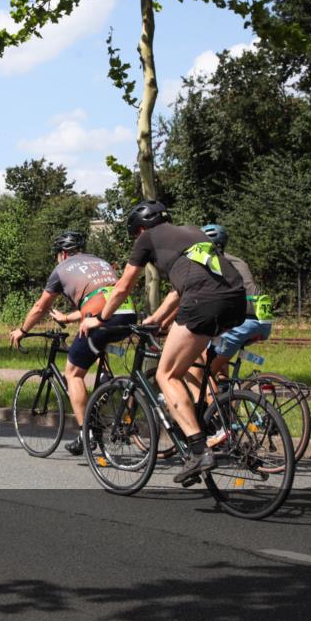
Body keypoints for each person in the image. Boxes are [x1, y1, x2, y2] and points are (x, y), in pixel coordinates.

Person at [79, 201, 246, 483]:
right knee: (193, 366)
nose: (138, 238)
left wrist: (101, 318)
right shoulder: (193, 232)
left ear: (141, 228)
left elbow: (122, 287)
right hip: (236, 300)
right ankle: (210, 421)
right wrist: (159, 319)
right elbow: (182, 290)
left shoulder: (147, 238)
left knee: (166, 374)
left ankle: (198, 450)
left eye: (136, 233)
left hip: (203, 301)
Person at [9, 230, 137, 455]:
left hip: (101, 319)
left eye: (57, 255)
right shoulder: (100, 262)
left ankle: (86, 434)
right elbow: (101, 298)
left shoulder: (61, 269)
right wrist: (67, 318)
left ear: (63, 254)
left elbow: (40, 307)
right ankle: (106, 385)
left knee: (73, 373)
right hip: (127, 314)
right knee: (96, 350)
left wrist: (22, 330)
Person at [200, 224, 274, 446]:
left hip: (242, 322)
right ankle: (228, 406)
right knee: (220, 363)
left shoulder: (213, 262)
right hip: (262, 320)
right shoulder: (238, 260)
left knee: (203, 370)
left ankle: (221, 427)